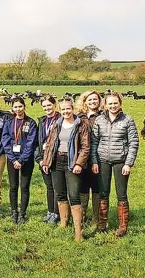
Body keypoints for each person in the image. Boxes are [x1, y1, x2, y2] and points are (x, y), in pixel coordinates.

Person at [91, 91, 139, 237]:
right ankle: (102, 225)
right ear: (105, 105)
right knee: (103, 193)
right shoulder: (99, 120)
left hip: (121, 161)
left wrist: (128, 163)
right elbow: (94, 142)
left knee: (121, 194)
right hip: (103, 160)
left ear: (120, 104)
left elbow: (134, 143)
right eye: (110, 103)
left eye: (115, 103)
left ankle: (123, 227)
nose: (113, 106)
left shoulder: (128, 120)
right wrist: (94, 161)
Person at [41, 96, 90, 241]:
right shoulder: (57, 124)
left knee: (74, 196)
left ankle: (78, 232)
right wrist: (46, 161)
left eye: (68, 108)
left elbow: (85, 147)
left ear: (72, 108)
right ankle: (63, 223)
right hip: (57, 162)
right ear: (59, 110)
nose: (66, 111)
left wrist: (79, 164)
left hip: (72, 162)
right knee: (60, 193)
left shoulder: (81, 125)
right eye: (63, 109)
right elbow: (50, 144)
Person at [1, 96, 38, 224]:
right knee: (13, 186)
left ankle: (22, 213)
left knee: (24, 187)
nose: (18, 109)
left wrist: (21, 159)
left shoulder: (31, 123)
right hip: (12, 159)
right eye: (15, 107)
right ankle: (13, 212)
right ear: (12, 108)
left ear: (24, 107)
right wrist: (12, 158)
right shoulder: (9, 122)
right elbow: (5, 140)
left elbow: (31, 143)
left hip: (26, 160)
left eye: (20, 106)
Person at [76, 90, 103, 226]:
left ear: (99, 101)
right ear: (84, 101)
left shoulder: (104, 115)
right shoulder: (79, 117)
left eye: (95, 99)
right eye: (90, 100)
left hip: (99, 156)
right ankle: (82, 216)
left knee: (97, 186)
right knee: (83, 187)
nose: (93, 102)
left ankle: (96, 218)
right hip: (81, 157)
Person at [34, 95, 60, 224]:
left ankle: (57, 213)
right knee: (49, 187)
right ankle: (50, 212)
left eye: (49, 105)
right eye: (44, 106)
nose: (47, 108)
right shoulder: (42, 121)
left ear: (54, 105)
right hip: (43, 159)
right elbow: (37, 143)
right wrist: (39, 159)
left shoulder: (61, 120)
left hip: (56, 159)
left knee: (57, 188)